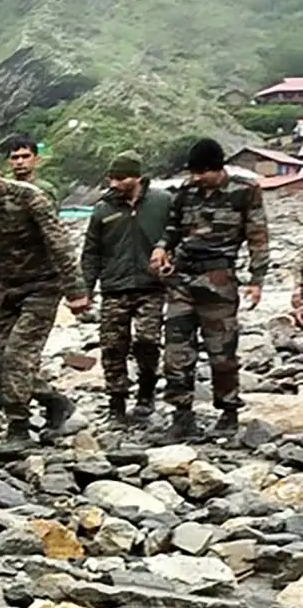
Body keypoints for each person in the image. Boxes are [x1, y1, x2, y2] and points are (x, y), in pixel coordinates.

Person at [0, 143, 87, 448]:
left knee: (18, 354)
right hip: (8, 288)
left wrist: (76, 290)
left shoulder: (29, 197)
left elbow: (59, 243)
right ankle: (54, 401)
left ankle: (18, 428)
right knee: (2, 356)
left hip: (43, 286)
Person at [152, 137, 269, 439]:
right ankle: (181, 416)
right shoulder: (186, 192)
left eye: (202, 172)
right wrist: (162, 248)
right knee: (176, 351)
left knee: (222, 352)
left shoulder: (245, 192)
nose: (196, 178)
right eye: (193, 172)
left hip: (219, 282)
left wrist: (257, 280)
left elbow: (258, 238)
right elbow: (173, 227)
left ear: (217, 169)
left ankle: (228, 412)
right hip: (181, 281)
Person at [80, 152, 171, 422]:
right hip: (114, 287)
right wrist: (85, 289)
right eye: (112, 178)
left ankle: (146, 392)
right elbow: (91, 252)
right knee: (112, 347)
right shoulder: (102, 210)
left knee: (147, 341)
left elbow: (177, 231)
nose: (115, 184)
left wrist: (167, 253)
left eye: (122, 178)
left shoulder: (162, 202)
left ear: (138, 178)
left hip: (151, 286)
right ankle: (116, 403)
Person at [2, 132, 61, 200]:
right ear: (8, 161)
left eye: (25, 156)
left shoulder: (45, 189)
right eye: (15, 157)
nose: (20, 162)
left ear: (36, 159)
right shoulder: (2, 189)